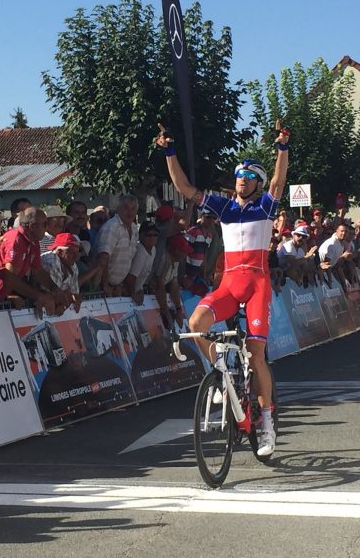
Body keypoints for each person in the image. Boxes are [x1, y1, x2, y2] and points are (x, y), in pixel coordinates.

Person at [157, 121, 290, 457]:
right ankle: (219, 369)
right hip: (229, 284)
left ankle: (267, 424)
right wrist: (169, 151)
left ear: (257, 183)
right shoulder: (224, 207)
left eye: (248, 176)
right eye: (238, 176)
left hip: (257, 286)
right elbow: (184, 187)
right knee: (195, 323)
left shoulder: (265, 206)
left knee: (256, 356)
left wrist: (282, 147)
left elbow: (279, 181)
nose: (241, 180)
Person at [96, 195, 138, 296]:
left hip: (117, 287)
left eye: (133, 209)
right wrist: (106, 285)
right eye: (126, 208)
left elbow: (129, 259)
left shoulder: (134, 228)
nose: (130, 212)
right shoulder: (112, 227)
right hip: (102, 288)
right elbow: (103, 258)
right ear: (118, 209)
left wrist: (121, 285)